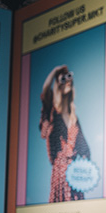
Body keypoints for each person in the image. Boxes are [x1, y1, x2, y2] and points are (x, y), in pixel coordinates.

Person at [40, 65, 91, 203]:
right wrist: (55, 71)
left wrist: (85, 169)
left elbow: (84, 146)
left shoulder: (74, 118)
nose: (67, 81)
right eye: (63, 79)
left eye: (69, 78)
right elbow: (45, 91)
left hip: (75, 171)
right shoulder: (53, 113)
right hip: (61, 169)